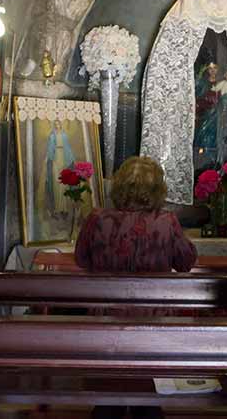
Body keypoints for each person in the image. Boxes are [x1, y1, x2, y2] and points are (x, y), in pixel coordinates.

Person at [75, 156, 198, 419]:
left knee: (108, 398)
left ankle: (108, 409)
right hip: (154, 325)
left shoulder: (96, 219)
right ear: (157, 191)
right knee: (149, 397)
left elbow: (81, 260)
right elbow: (187, 262)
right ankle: (148, 409)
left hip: (104, 324)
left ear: (119, 187)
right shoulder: (166, 222)